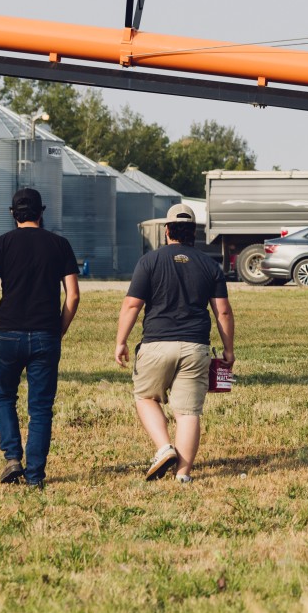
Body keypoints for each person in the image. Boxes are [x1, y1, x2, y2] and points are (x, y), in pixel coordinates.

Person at [115, 203, 234, 483]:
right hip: (196, 347)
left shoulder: (149, 261)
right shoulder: (210, 265)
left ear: (167, 230)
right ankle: (183, 475)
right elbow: (223, 312)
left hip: (156, 344)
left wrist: (121, 341)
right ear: (194, 232)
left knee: (146, 398)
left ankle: (164, 448)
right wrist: (228, 350)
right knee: (188, 412)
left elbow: (132, 305)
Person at [0, 187, 80, 489]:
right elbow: (73, 295)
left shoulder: (1, 244)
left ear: (13, 214)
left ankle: (12, 457)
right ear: (41, 212)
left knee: (4, 396)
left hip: (8, 332)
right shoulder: (60, 244)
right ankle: (35, 476)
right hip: (46, 333)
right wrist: (60, 328)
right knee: (40, 407)